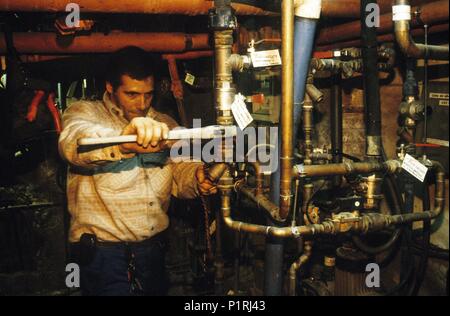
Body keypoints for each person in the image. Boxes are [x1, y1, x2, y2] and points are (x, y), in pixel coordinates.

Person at [58, 46, 217, 296]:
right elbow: (73, 144)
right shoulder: (84, 113)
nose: (141, 104)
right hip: (104, 255)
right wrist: (122, 142)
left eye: (148, 95)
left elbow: (180, 171)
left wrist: (197, 177)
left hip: (153, 251)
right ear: (110, 87)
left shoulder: (164, 124)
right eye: (132, 94)